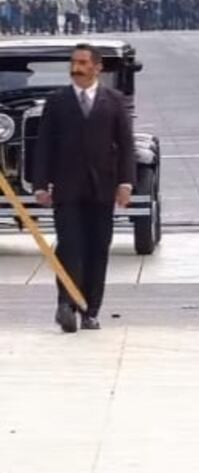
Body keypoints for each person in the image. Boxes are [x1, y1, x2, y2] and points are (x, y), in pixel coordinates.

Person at [33, 44, 136, 333]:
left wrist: (126, 183)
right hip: (66, 189)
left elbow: (126, 145)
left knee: (97, 249)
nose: (76, 67)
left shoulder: (114, 100)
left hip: (102, 189)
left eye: (82, 62)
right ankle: (66, 304)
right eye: (73, 62)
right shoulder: (57, 101)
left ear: (97, 67)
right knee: (69, 246)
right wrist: (40, 184)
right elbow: (44, 146)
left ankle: (91, 310)